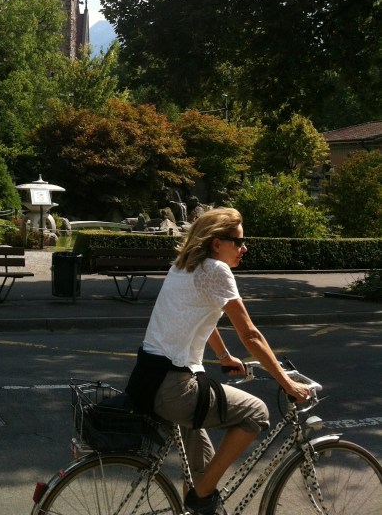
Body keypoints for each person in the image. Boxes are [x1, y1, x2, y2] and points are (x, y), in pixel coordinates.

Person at [125, 207, 312, 515]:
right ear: (217, 243)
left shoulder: (183, 266)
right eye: (238, 241)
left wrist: (223, 356)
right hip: (175, 388)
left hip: (148, 381)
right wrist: (287, 382)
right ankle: (199, 496)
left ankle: (199, 498)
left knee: (202, 469)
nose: (244, 248)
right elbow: (250, 335)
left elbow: (201, 316)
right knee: (257, 412)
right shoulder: (216, 270)